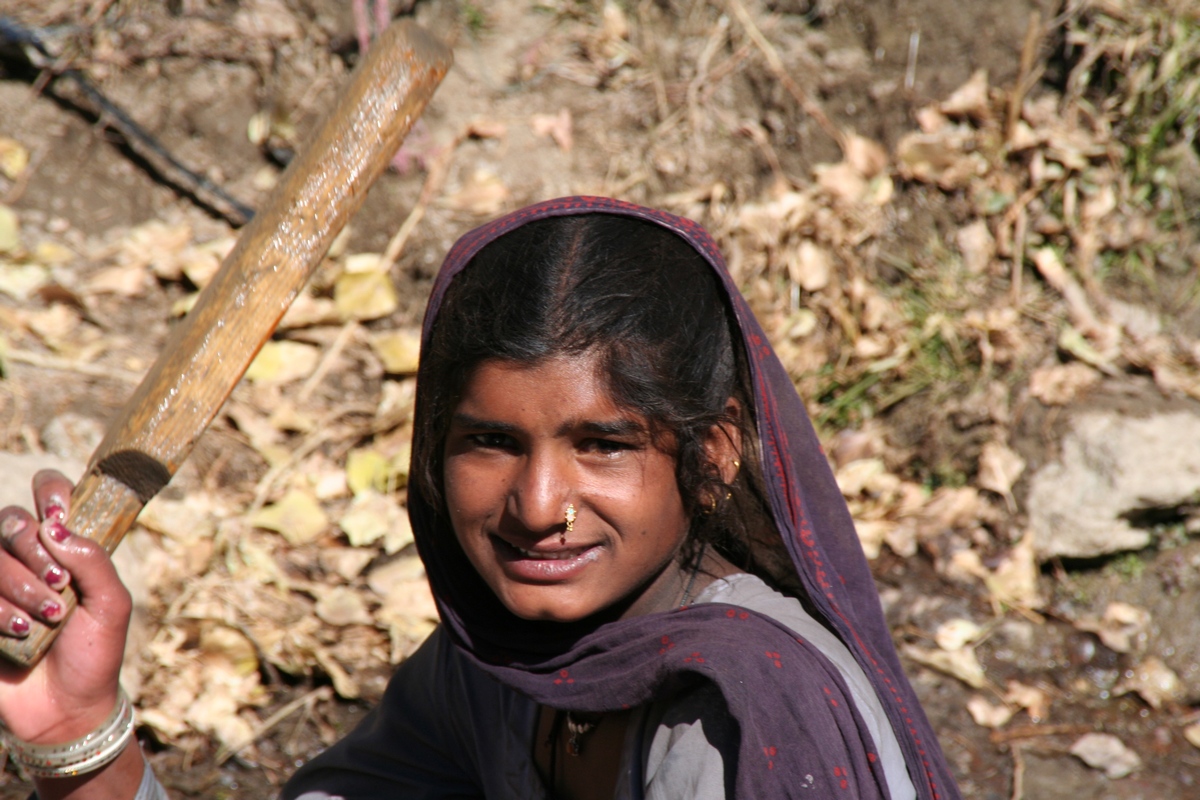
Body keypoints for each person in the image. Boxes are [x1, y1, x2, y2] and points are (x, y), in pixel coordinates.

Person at [0, 197, 962, 800]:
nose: (538, 504)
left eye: (604, 444)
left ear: (709, 458)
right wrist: (77, 730)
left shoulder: (739, 723)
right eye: (491, 443)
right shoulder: (500, 672)